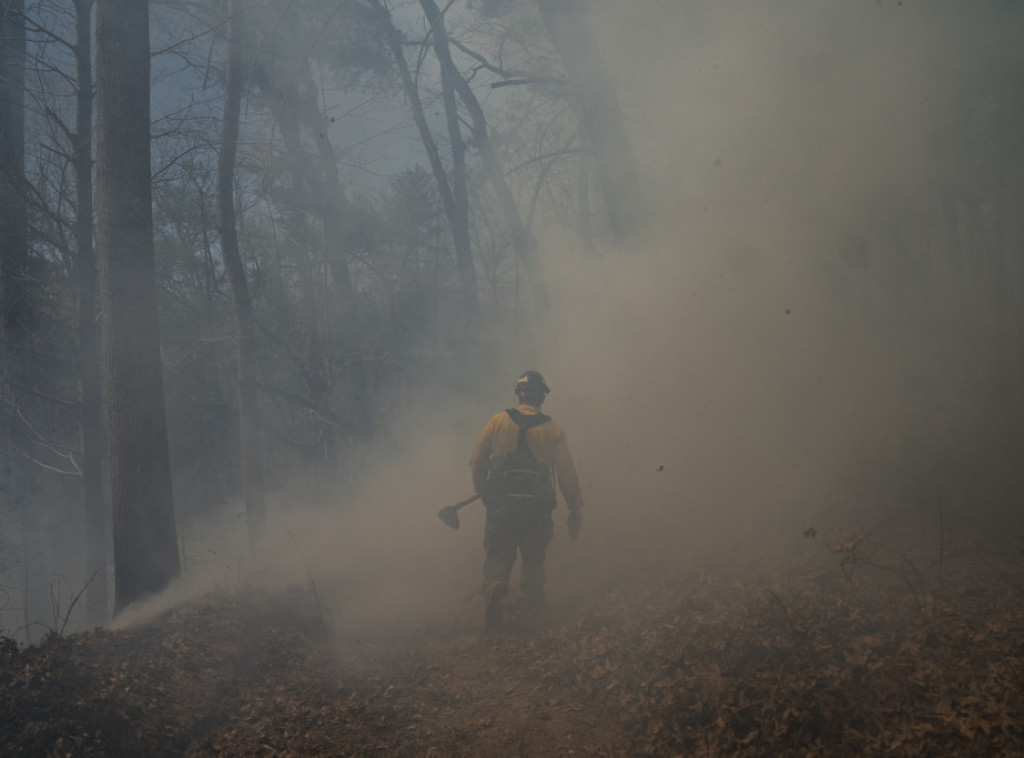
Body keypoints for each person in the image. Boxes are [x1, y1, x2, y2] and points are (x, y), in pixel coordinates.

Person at [469, 370, 584, 629]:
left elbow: (477, 460)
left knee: (498, 558)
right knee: (534, 560)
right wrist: (574, 508)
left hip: (501, 508)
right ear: (542, 397)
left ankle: (496, 587)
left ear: (519, 395)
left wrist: (484, 492)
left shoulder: (498, 421)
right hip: (537, 510)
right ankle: (531, 610)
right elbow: (566, 473)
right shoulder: (553, 430)